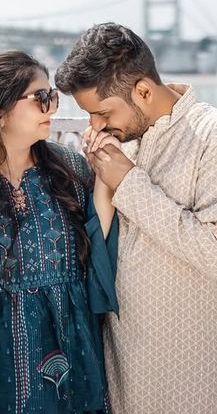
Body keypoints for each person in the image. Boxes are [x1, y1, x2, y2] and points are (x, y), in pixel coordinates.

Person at [54, 22, 217, 414]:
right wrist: (103, 181)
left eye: (102, 112)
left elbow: (215, 252)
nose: (94, 125)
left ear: (143, 90)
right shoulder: (120, 141)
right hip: (121, 354)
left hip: (190, 359)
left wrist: (127, 181)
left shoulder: (214, 134)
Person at [0, 51, 118, 414]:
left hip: (72, 340)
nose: (51, 108)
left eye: (52, 97)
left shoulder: (69, 167)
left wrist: (103, 171)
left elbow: (98, 238)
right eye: (40, 98)